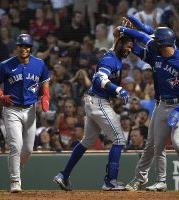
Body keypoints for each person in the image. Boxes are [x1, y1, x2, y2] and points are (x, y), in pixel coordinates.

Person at [116, 16, 179, 192]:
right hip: (161, 105)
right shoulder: (156, 49)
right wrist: (124, 33)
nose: (153, 42)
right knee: (157, 146)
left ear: (164, 44)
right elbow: (143, 39)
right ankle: (161, 181)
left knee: (178, 142)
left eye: (157, 41)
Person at [53, 34, 133, 191]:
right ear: (120, 44)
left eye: (131, 46)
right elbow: (99, 79)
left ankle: (63, 175)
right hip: (98, 101)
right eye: (128, 46)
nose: (130, 49)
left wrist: (123, 32)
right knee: (118, 139)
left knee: (87, 142)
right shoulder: (110, 59)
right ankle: (110, 182)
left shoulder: (114, 56)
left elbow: (116, 45)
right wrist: (118, 89)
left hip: (92, 101)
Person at [0, 34, 50, 193]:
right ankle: (15, 180)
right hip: (12, 110)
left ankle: (15, 164)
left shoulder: (39, 64)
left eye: (26, 46)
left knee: (29, 148)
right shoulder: (6, 65)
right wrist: (0, 95)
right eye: (21, 46)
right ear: (17, 47)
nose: (23, 49)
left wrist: (46, 95)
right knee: (16, 145)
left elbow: (45, 80)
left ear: (31, 48)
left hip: (30, 110)